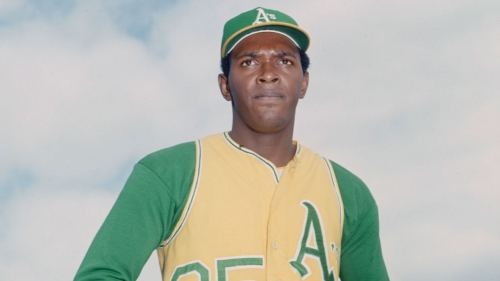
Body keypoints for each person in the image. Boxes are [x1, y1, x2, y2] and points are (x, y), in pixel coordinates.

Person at [75, 7, 389, 281]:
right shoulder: (170, 173)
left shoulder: (348, 193)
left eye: (285, 61)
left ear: (304, 82)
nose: (268, 74)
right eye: (249, 62)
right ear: (225, 85)